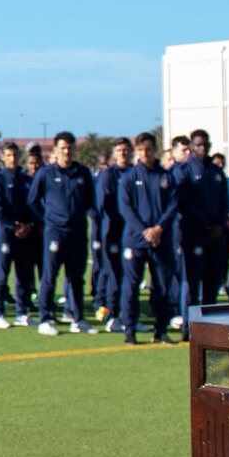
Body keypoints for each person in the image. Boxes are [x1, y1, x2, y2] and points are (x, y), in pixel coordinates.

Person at [29, 132, 95, 336]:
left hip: (77, 232)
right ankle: (46, 318)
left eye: (70, 148)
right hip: (55, 233)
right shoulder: (46, 173)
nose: (67, 151)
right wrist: (48, 218)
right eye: (63, 148)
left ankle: (77, 317)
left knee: (76, 278)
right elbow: (33, 200)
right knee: (49, 276)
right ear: (56, 150)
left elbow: (90, 201)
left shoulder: (82, 173)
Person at [117, 132, 177, 344]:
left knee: (161, 287)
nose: (145, 154)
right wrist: (145, 231)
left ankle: (160, 331)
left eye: (148, 149)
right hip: (136, 241)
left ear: (155, 150)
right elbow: (126, 208)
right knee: (131, 287)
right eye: (141, 150)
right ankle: (130, 330)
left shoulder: (166, 176)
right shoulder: (129, 177)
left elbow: (173, 205)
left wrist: (159, 229)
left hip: (161, 240)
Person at [172, 131, 228, 324]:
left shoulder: (216, 172)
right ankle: (190, 326)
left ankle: (210, 327)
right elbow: (185, 205)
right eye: (198, 145)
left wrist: (219, 225)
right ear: (191, 147)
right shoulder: (183, 171)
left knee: (212, 285)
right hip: (194, 235)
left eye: (205, 145)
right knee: (191, 285)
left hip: (216, 237)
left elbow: (224, 201)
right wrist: (205, 225)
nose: (203, 148)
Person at [0, 141, 37, 329]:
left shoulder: (26, 180)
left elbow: (33, 204)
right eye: (9, 155)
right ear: (3, 157)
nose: (12, 158)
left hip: (25, 235)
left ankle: (22, 313)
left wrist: (29, 225)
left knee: (24, 276)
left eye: (15, 155)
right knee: (1, 275)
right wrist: (13, 226)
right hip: (6, 235)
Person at [92, 139, 131, 329]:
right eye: (119, 150)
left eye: (125, 150)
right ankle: (113, 314)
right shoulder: (108, 175)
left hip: (132, 233)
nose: (123, 153)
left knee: (131, 276)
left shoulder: (135, 172)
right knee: (114, 275)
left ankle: (131, 316)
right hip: (113, 232)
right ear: (114, 154)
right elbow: (104, 206)